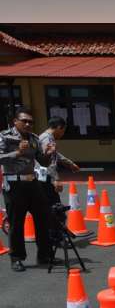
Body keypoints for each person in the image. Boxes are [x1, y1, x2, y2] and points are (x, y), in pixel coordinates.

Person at [0, 106, 57, 272]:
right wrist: (17, 153)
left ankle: (44, 255)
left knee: (43, 218)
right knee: (17, 223)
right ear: (15, 121)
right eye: (24, 121)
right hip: (14, 184)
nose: (27, 124)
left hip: (32, 182)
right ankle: (16, 258)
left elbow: (41, 161)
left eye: (30, 122)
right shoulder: (4, 136)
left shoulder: (34, 138)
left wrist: (47, 154)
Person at [37, 116, 80, 224]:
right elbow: (50, 162)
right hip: (45, 177)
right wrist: (55, 179)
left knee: (51, 205)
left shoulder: (47, 137)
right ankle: (55, 234)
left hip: (44, 176)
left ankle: (55, 231)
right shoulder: (47, 138)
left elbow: (55, 155)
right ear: (59, 127)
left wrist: (70, 163)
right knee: (55, 206)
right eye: (63, 130)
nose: (63, 134)